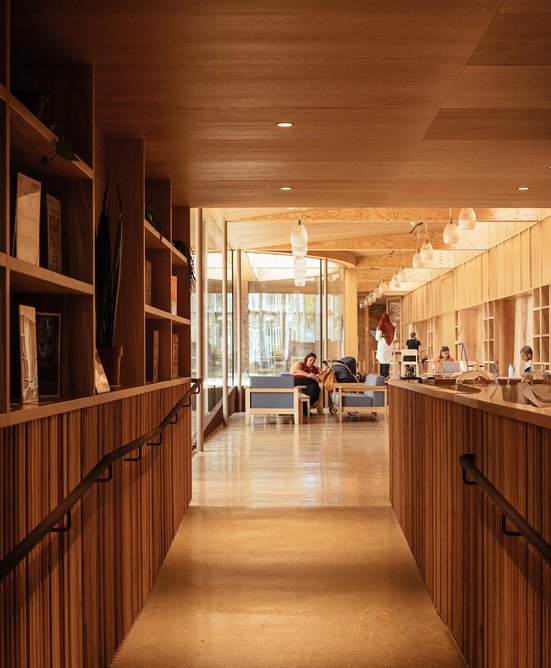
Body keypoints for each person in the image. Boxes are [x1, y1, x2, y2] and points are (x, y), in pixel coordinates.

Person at [375, 313, 395, 378]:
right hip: (390, 344)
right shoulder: (391, 326)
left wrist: (378, 337)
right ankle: (387, 374)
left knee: (382, 359)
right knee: (387, 359)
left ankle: (383, 375)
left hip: (383, 343)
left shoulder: (381, 325)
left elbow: (377, 337)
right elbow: (395, 337)